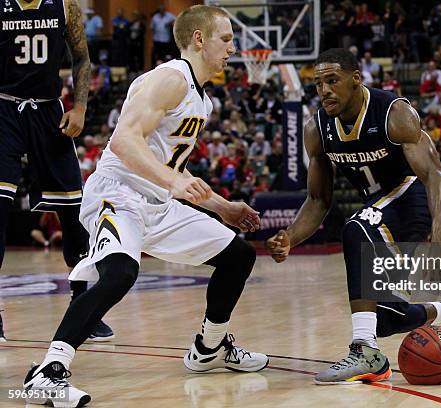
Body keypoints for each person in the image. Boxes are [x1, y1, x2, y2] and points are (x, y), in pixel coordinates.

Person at [23, 6, 268, 407]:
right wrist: (175, 182)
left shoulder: (201, 99)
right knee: (120, 273)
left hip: (157, 201)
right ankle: (49, 371)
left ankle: (209, 348)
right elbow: (123, 141)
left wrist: (222, 206)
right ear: (199, 39)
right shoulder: (171, 78)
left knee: (238, 256)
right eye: (226, 38)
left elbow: (170, 166)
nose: (232, 47)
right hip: (117, 193)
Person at [266, 48, 441, 385]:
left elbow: (436, 178)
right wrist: (290, 237)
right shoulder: (317, 129)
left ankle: (365, 350)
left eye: (332, 81)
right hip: (381, 210)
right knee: (384, 317)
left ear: (356, 80)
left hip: (411, 201)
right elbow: (318, 199)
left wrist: (440, 242)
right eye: (318, 84)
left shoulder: (393, 113)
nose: (324, 90)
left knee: (356, 229)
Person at [0, 0, 113, 344]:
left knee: (73, 212)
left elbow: (81, 57)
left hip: (50, 112)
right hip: (4, 110)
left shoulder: (65, 6)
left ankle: (83, 306)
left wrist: (80, 106)